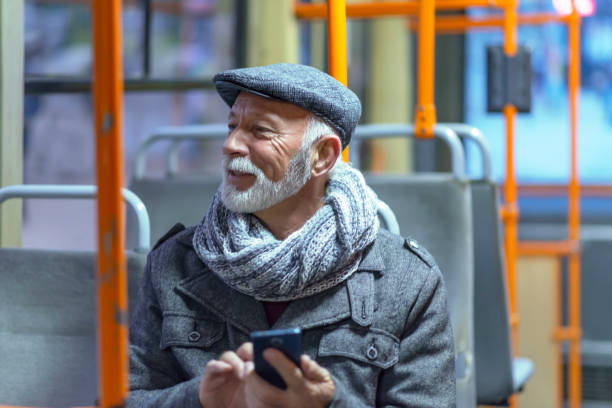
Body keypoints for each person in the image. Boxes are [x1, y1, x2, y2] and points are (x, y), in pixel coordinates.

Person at [128, 63, 455, 407]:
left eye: (261, 131)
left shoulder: (408, 283)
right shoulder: (175, 264)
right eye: (232, 126)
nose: (231, 145)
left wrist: (327, 403)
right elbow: (131, 398)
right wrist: (200, 398)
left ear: (322, 156)